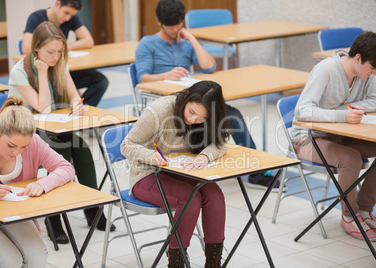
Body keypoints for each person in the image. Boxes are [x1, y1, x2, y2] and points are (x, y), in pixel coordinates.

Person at [135, 0, 284, 193]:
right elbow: (142, 79)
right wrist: (165, 75)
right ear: (159, 22)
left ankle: (255, 174)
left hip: (189, 98)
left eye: (178, 24)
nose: (174, 29)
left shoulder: (185, 43)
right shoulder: (147, 44)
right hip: (165, 102)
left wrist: (191, 38)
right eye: (170, 26)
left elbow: (209, 66)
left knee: (232, 114)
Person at [8, 21, 114, 246]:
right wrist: (44, 72)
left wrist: (77, 104)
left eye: (59, 51)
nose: (56, 57)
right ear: (36, 48)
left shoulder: (60, 63)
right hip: (26, 131)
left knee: (83, 149)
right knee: (60, 152)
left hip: (55, 126)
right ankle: (53, 218)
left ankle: (93, 210)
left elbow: (75, 95)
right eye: (50, 52)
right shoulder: (19, 71)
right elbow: (43, 108)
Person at [121, 80, 230, 267]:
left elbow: (221, 143)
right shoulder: (159, 111)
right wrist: (150, 155)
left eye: (200, 119)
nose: (193, 121)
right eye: (192, 113)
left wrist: (205, 156)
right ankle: (176, 262)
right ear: (186, 97)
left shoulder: (206, 115)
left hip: (180, 170)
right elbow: (126, 145)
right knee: (190, 198)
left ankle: (213, 263)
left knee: (214, 194)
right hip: (148, 174)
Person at [291, 31, 376, 241]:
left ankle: (364, 210)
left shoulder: (365, 74)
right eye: (372, 68)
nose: (374, 73)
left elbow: (375, 100)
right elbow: (303, 111)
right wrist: (342, 115)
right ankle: (349, 215)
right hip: (307, 140)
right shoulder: (326, 70)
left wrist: (350, 109)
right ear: (358, 58)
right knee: (351, 159)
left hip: (340, 136)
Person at [0, 95, 75, 267]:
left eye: (23, 147)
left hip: (8, 212)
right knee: (9, 261)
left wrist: (42, 184)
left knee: (38, 257)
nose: (16, 152)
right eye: (11, 146)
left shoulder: (33, 142)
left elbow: (66, 168)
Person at [22, 0, 108, 107]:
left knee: (101, 81)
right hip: (43, 70)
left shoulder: (71, 17)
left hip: (60, 67)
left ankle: (80, 109)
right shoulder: (36, 18)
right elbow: (25, 47)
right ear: (58, 4)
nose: (68, 18)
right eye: (66, 13)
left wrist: (64, 48)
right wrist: (47, 52)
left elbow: (89, 40)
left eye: (71, 15)